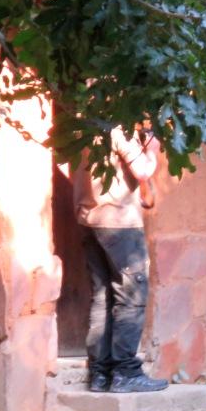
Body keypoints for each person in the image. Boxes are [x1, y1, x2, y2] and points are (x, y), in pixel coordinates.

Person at [71, 125, 168, 393]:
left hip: (90, 219)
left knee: (102, 298)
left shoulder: (79, 125)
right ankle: (125, 372)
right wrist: (153, 151)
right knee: (131, 297)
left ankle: (99, 374)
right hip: (120, 222)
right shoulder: (118, 127)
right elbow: (143, 171)